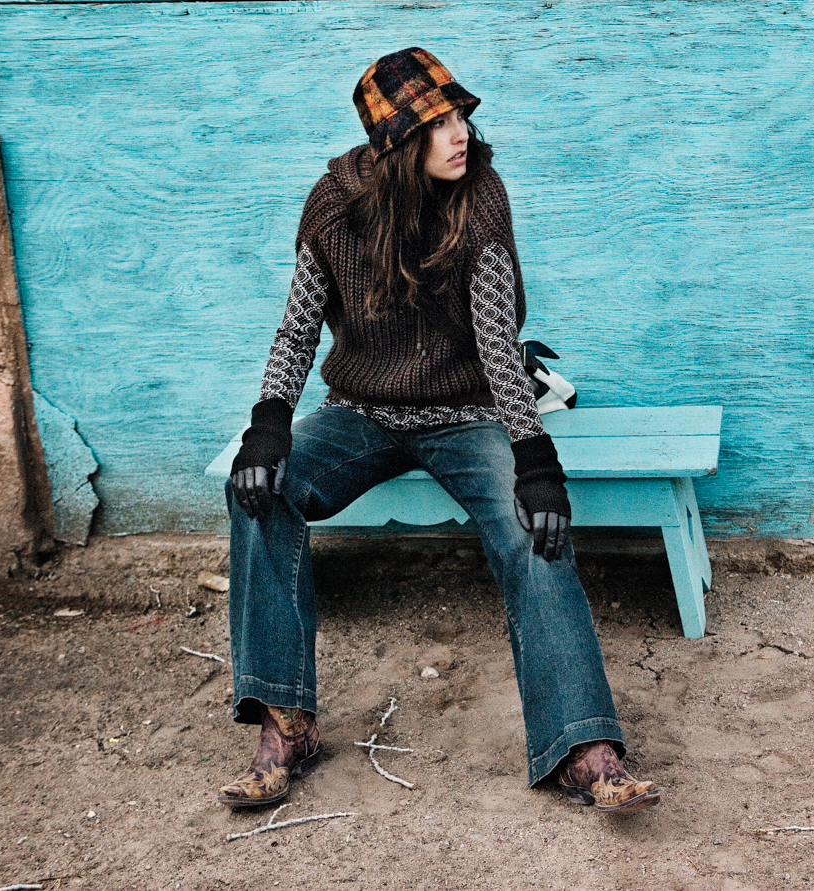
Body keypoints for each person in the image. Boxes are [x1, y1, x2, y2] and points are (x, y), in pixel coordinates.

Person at [218, 47, 659, 815]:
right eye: (437, 122)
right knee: (258, 486)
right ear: (396, 143)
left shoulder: (479, 196)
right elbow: (297, 330)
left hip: (467, 411)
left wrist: (534, 459)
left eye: (459, 116)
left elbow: (496, 343)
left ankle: (583, 746)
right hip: (361, 411)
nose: (460, 134)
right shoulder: (333, 208)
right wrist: (269, 424)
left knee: (533, 525)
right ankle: (286, 723)